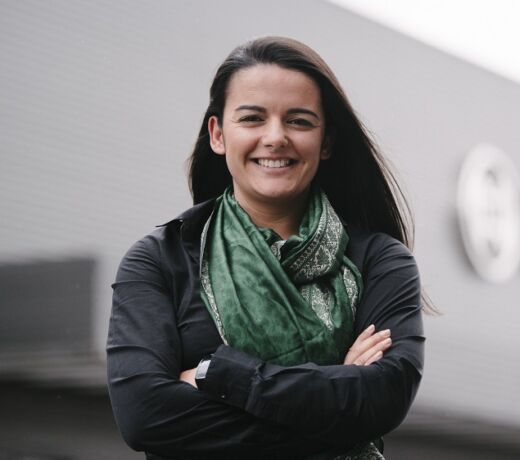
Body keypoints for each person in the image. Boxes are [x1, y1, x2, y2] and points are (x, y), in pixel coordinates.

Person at [107, 36, 426, 459]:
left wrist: (223, 375)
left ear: (326, 141)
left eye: (299, 121)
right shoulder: (160, 260)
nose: (275, 137)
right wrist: (338, 404)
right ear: (218, 134)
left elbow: (384, 397)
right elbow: (145, 416)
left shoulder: (379, 261)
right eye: (252, 118)